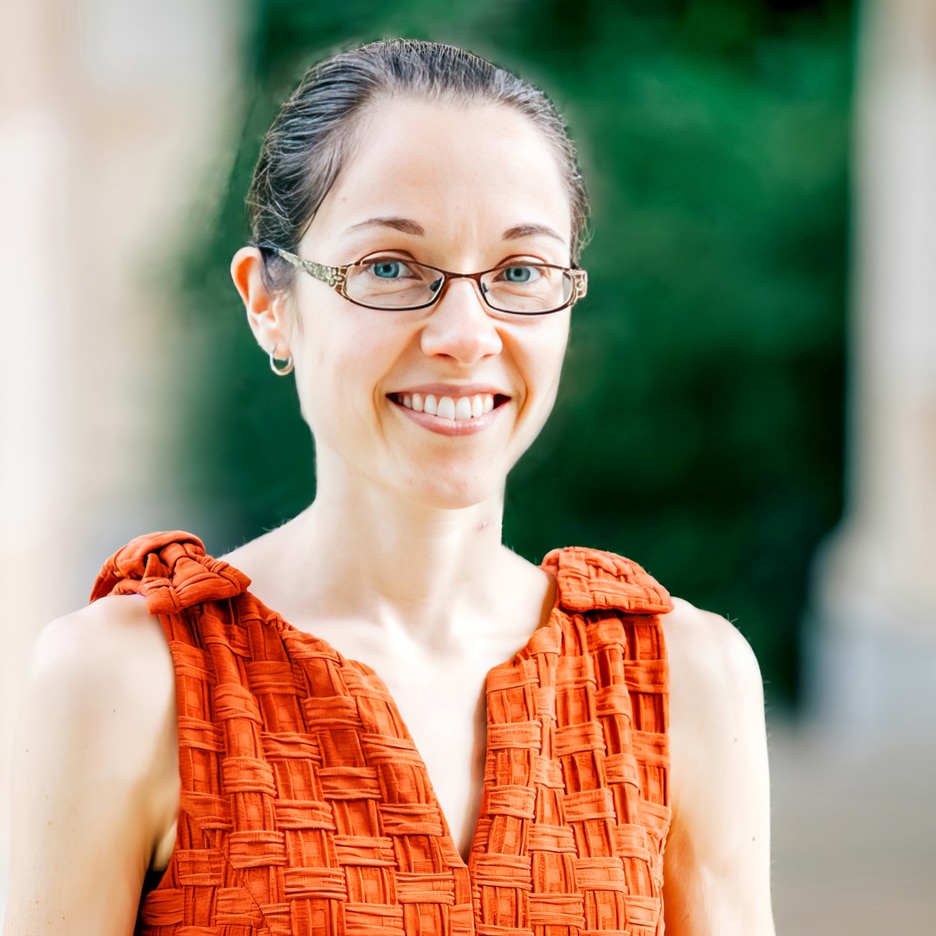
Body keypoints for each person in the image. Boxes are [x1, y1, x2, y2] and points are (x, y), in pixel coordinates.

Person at [3, 40, 775, 936]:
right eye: (390, 268)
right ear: (269, 302)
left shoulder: (683, 679)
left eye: (519, 273)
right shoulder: (127, 680)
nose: (464, 333)